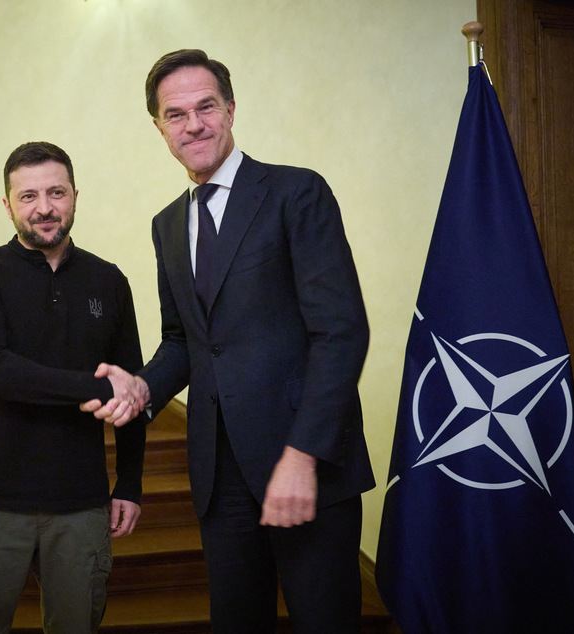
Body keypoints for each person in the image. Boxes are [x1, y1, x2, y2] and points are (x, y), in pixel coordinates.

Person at [82, 49, 375, 633]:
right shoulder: (167, 224)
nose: (193, 124)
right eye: (175, 114)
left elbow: (341, 332)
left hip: (306, 466)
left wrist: (302, 456)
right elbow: (183, 341)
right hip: (220, 477)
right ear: (160, 128)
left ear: (231, 110)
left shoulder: (297, 193)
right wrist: (142, 387)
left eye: (205, 106)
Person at [0, 141, 147, 634]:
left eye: (56, 192)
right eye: (28, 195)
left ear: (75, 195)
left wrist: (131, 482)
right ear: (8, 204)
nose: (44, 208)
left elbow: (130, 390)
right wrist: (93, 388)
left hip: (81, 502)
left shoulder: (109, 281)